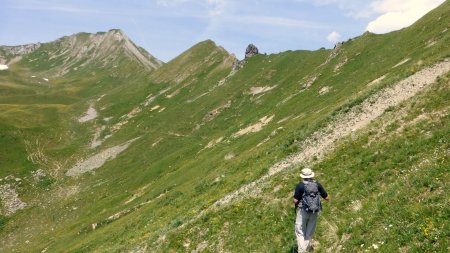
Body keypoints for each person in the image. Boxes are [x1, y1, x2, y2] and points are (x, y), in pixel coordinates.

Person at [293, 168, 329, 252]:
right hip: (315, 211)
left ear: (303, 176)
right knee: (309, 232)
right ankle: (307, 248)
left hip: (303, 211)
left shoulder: (300, 185)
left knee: (299, 231)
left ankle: (302, 251)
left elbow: (295, 200)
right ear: (311, 175)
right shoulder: (317, 184)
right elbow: (327, 197)